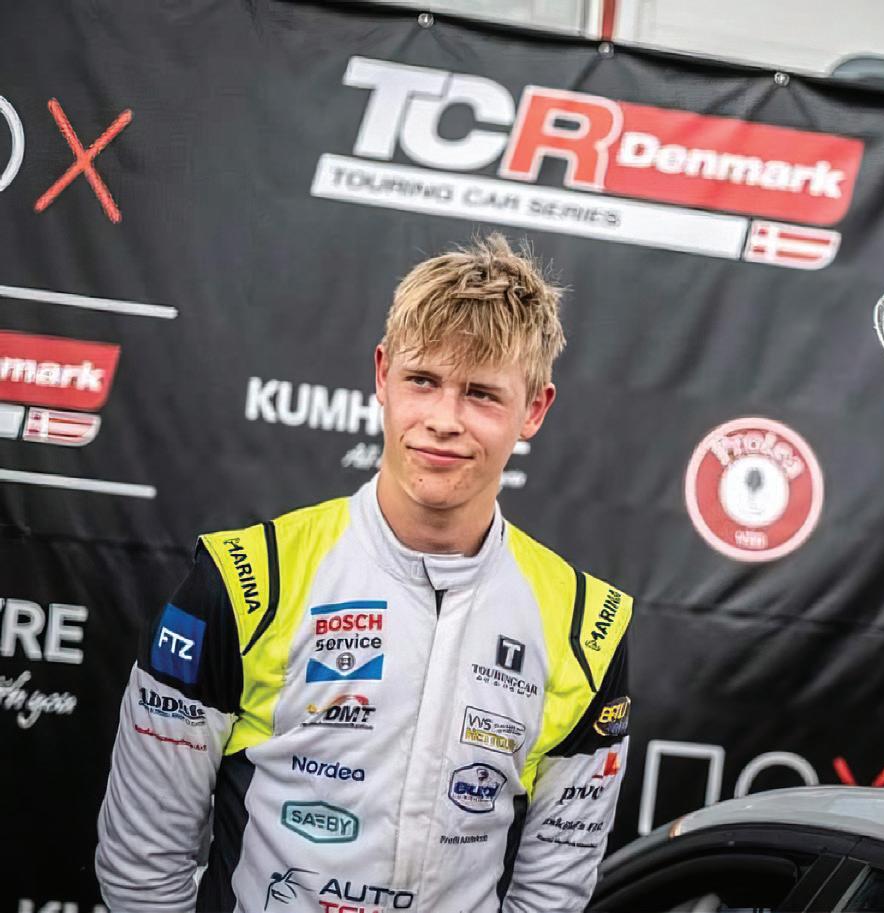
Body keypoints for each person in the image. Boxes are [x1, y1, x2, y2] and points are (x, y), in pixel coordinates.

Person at [96, 235, 634, 913]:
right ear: (382, 375)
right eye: (423, 380)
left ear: (534, 409)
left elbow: (552, 891)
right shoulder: (247, 579)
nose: (443, 420)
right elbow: (142, 862)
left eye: (480, 394)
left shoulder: (587, 626)